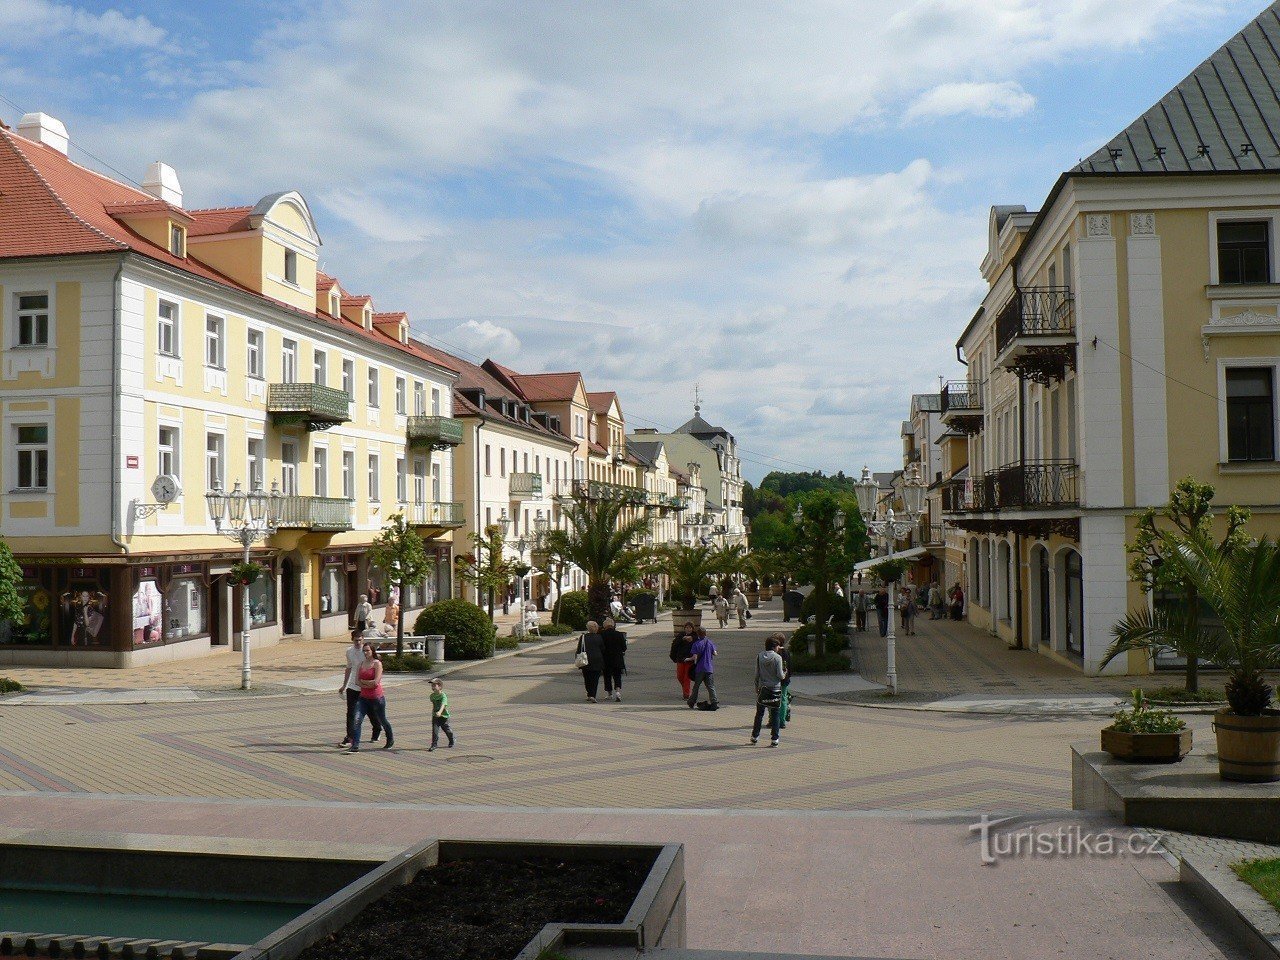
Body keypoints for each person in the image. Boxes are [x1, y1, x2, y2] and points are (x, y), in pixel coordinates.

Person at [348, 642, 393, 752]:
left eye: (367, 650)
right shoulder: (361, 664)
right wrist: (366, 683)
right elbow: (357, 681)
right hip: (363, 698)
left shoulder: (377, 663)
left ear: (372, 651)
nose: (365, 652)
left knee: (382, 720)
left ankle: (390, 739)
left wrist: (364, 682)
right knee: (357, 720)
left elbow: (376, 682)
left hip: (377, 698)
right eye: (364, 651)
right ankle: (355, 745)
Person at [340, 631, 382, 747]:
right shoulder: (349, 651)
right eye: (356, 640)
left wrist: (373, 683)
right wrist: (344, 685)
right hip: (353, 686)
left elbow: (375, 665)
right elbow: (349, 667)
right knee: (351, 712)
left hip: (366, 686)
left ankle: (377, 729)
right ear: (352, 640)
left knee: (370, 711)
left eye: (360, 640)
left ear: (363, 639)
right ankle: (350, 737)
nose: (358, 642)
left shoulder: (367, 651)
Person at [751, 635, 788, 747]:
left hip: (763, 688)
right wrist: (784, 673)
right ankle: (774, 739)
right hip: (775, 688)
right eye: (777, 646)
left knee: (759, 714)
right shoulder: (778, 658)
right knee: (775, 713)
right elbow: (780, 675)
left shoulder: (759, 656)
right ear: (774, 646)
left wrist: (756, 687)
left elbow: (757, 674)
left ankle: (754, 737)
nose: (778, 648)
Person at [686, 627, 719, 709]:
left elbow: (694, 657)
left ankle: (691, 701)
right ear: (705, 633)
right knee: (710, 686)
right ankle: (714, 702)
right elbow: (715, 653)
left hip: (700, 668)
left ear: (698, 634)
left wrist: (687, 659)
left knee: (696, 686)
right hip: (709, 668)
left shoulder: (696, 644)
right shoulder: (710, 642)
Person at [577, 621, 605, 702]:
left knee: (587, 678)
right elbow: (603, 649)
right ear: (596, 628)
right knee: (595, 678)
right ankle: (593, 695)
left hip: (585, 660)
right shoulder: (599, 637)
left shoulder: (583, 637)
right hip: (597, 660)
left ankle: (589, 693)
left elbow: (579, 649)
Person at [600, 617, 628, 702]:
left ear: (604, 626)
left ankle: (609, 693)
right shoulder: (619, 634)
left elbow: (600, 647)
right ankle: (618, 691)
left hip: (606, 659)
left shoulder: (602, 634)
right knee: (617, 675)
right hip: (617, 658)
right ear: (613, 625)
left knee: (607, 676)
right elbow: (624, 647)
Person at [428, 678, 455, 751]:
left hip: (444, 716)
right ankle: (434, 745)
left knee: (447, 730)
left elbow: (443, 704)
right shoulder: (432, 696)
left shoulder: (443, 696)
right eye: (432, 686)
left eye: (434, 685)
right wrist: (436, 713)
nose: (433, 687)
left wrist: (440, 712)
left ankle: (451, 739)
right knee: (435, 731)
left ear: (440, 686)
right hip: (435, 716)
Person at [670, 623, 696, 699]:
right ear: (684, 628)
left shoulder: (695, 636)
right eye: (687, 627)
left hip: (690, 660)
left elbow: (699, 644)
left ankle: (686, 694)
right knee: (680, 676)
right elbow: (674, 645)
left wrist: (692, 639)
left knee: (687, 677)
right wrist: (682, 639)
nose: (688, 629)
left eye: (690, 628)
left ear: (692, 629)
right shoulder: (680, 635)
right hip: (681, 659)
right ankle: (685, 688)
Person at [777, 635, 793, 730]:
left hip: (776, 680)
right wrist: (788, 676)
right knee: (783, 699)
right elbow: (790, 666)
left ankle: (774, 720)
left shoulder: (776, 654)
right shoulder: (787, 652)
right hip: (785, 679)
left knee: (773, 699)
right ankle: (782, 721)